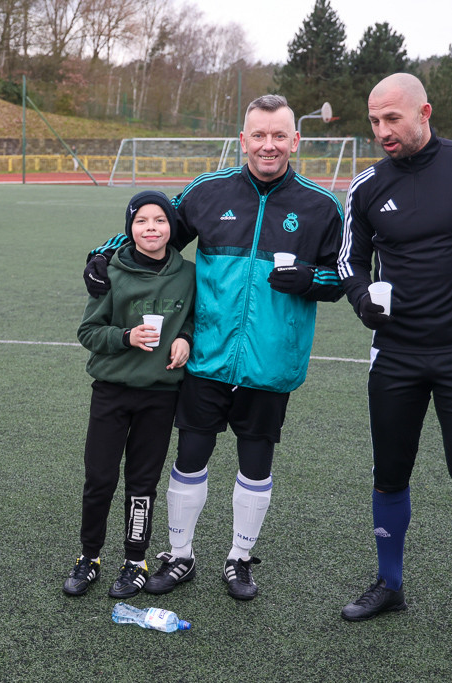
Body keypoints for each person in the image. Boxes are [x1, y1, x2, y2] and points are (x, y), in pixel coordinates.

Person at [83, 94, 343, 601]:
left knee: (255, 463)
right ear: (243, 140)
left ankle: (240, 559)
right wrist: (103, 253)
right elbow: (153, 231)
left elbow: (343, 277)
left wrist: (311, 277)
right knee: (190, 457)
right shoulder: (208, 191)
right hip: (204, 356)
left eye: (279, 135)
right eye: (259, 136)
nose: (269, 145)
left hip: (271, 362)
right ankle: (180, 557)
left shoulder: (320, 206)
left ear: (295, 140)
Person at [337, 73, 452, 648]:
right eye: (374, 121)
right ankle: (389, 584)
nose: (381, 131)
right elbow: (351, 259)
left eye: (392, 119)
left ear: (424, 112)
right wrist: (362, 299)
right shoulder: (366, 185)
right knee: (389, 473)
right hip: (393, 355)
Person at [63, 191, 195, 599]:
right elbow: (87, 332)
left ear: (172, 227)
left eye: (159, 220)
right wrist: (126, 336)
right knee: (99, 478)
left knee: (142, 483)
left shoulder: (189, 275)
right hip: (111, 392)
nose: (151, 228)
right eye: (141, 221)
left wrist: (186, 339)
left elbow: (195, 317)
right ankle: (89, 557)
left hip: (159, 396)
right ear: (129, 229)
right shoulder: (109, 273)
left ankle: (135, 560)